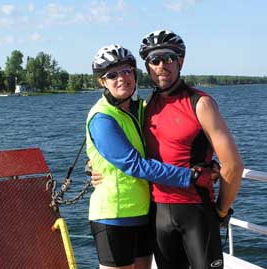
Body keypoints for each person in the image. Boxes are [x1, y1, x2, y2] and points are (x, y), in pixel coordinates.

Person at [86, 44, 214, 269]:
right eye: (112, 75)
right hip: (113, 215)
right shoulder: (102, 118)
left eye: (127, 71)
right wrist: (190, 176)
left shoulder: (139, 110)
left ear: (135, 74)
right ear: (102, 82)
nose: (121, 79)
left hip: (144, 212)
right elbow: (133, 164)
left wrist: (207, 163)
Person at [139, 29, 244, 269]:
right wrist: (94, 167)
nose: (160, 66)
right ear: (147, 67)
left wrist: (220, 211)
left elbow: (233, 166)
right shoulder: (146, 107)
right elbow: (125, 152)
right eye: (154, 61)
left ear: (180, 61)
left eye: (167, 58)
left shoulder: (201, 103)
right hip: (156, 212)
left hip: (196, 211)